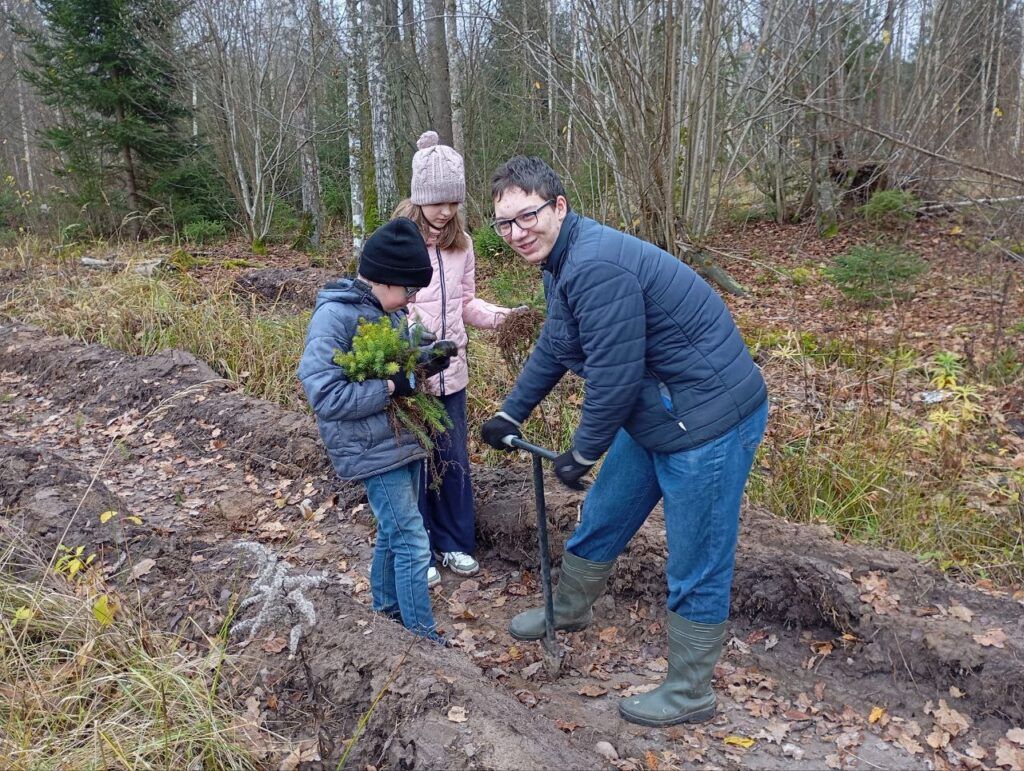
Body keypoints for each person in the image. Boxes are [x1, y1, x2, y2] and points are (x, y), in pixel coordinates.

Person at [479, 156, 769, 726]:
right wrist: (511, 412)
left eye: (528, 216)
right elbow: (557, 343)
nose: (517, 233)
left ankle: (689, 690)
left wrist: (583, 451)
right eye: (505, 223)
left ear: (559, 207)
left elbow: (614, 377)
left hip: (708, 422)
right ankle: (570, 607)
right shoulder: (560, 262)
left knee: (697, 558)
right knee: (605, 512)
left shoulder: (595, 266)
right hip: (661, 412)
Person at [298, 217, 454, 642]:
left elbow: (399, 361)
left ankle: (386, 614)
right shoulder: (335, 318)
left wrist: (426, 358)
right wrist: (388, 387)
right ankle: (422, 638)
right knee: (413, 543)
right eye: (409, 289)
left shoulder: (389, 311)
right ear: (384, 279)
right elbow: (325, 395)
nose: (412, 299)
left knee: (393, 533)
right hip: (371, 448)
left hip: (401, 438)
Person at [394, 130, 525, 585]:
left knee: (452, 459)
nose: (446, 210)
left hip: (453, 374)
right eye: (438, 201)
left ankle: (454, 543)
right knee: (415, 462)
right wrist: (412, 343)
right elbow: (387, 306)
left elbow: (467, 303)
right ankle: (420, 549)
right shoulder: (400, 241)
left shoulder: (462, 244)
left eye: (453, 201)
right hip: (412, 377)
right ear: (419, 197)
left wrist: (506, 318)